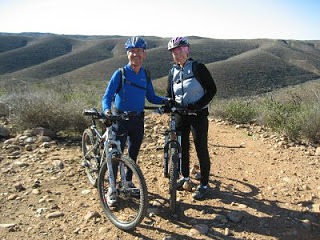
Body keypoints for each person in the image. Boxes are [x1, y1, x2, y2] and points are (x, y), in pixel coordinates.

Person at [101, 36, 170, 206]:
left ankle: (128, 182)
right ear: (127, 54)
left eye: (139, 51)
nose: (135, 54)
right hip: (120, 119)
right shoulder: (121, 73)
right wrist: (107, 111)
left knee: (133, 154)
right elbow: (107, 96)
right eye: (132, 51)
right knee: (116, 155)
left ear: (144, 54)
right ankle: (112, 188)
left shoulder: (145, 74)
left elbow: (151, 97)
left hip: (138, 120)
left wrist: (167, 101)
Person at [166, 36, 217, 200]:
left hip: (198, 114)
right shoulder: (173, 71)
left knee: (200, 147)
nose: (177, 54)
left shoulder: (198, 67)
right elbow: (169, 95)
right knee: (182, 147)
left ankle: (204, 185)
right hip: (181, 114)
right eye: (174, 52)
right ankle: (185, 177)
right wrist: (168, 105)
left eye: (180, 50)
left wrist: (198, 105)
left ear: (187, 50)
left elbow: (212, 90)